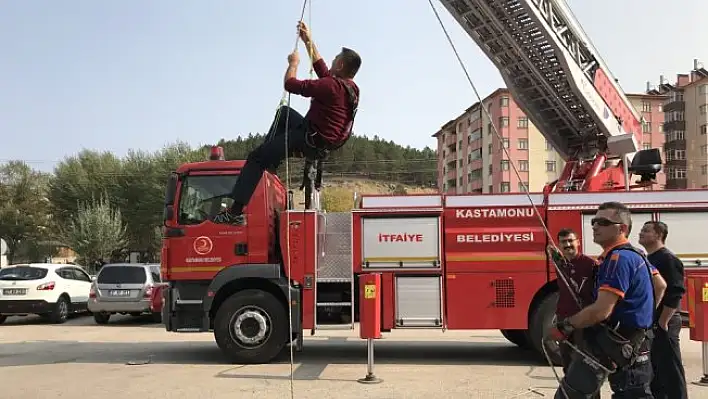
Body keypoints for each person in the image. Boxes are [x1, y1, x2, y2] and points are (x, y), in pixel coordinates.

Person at [213, 21, 361, 225]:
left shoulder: (331, 86)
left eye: (335, 59)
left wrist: (294, 63)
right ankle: (272, 160)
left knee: (256, 158)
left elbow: (290, 84)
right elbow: (322, 70)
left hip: (309, 139)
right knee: (284, 113)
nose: (332, 61)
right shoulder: (350, 89)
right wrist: (307, 40)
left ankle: (235, 212)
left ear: (341, 65)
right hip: (319, 139)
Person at [547, 201, 667, 399]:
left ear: (622, 228)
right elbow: (660, 285)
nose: (594, 226)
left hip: (617, 344)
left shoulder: (618, 259)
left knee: (570, 395)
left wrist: (564, 326)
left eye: (602, 222)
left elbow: (601, 310)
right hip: (634, 345)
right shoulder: (636, 254)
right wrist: (641, 320)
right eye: (594, 221)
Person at [639, 221, 688, 399]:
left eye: (646, 230)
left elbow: (675, 292)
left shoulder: (668, 259)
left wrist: (663, 321)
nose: (640, 233)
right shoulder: (649, 258)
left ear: (659, 235)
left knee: (670, 370)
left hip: (664, 321)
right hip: (654, 322)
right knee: (656, 370)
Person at [547, 228, 599, 392]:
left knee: (586, 366)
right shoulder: (561, 263)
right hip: (564, 319)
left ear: (578, 242)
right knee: (567, 363)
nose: (567, 245)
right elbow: (551, 252)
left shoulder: (591, 265)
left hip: (584, 320)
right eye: (563, 242)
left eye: (570, 241)